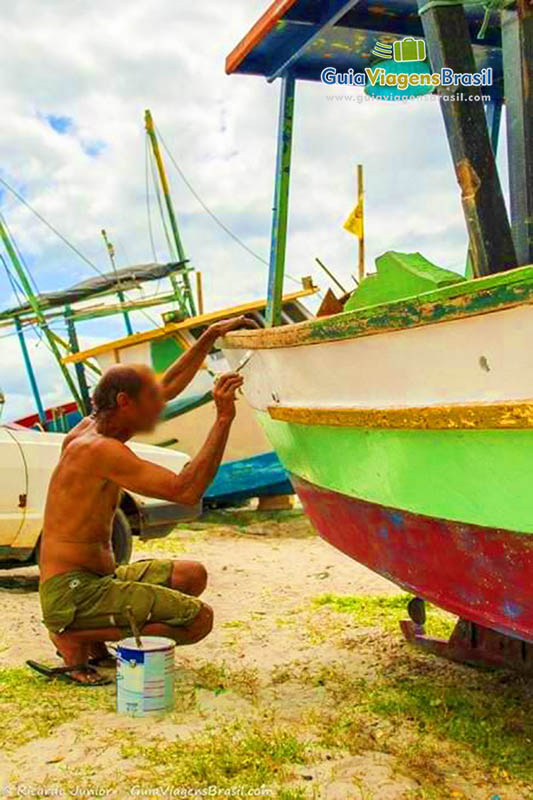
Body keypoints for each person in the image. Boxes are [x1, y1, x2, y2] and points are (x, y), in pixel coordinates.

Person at [30, 316, 255, 685]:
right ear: (123, 402)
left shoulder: (91, 426)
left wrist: (210, 337)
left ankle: (92, 637)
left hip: (95, 577)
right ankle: (73, 636)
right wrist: (224, 417)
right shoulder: (100, 450)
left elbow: (167, 385)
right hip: (74, 593)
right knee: (199, 620)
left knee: (192, 575)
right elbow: (186, 491)